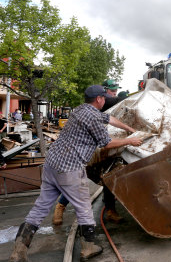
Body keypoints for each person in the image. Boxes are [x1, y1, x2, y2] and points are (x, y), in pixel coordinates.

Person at [8, 85, 143, 262]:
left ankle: (19, 250)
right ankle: (88, 247)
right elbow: (106, 143)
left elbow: (109, 118)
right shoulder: (94, 116)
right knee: (83, 206)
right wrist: (130, 140)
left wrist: (129, 128)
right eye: (104, 97)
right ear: (99, 100)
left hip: (52, 163)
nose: (105, 99)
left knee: (41, 207)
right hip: (70, 167)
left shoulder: (80, 110)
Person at [52, 79, 129, 225]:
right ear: (102, 94)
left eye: (115, 91)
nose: (114, 94)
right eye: (111, 91)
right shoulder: (99, 103)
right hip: (87, 147)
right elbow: (116, 101)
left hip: (106, 145)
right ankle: (60, 206)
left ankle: (111, 211)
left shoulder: (109, 102)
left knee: (109, 176)